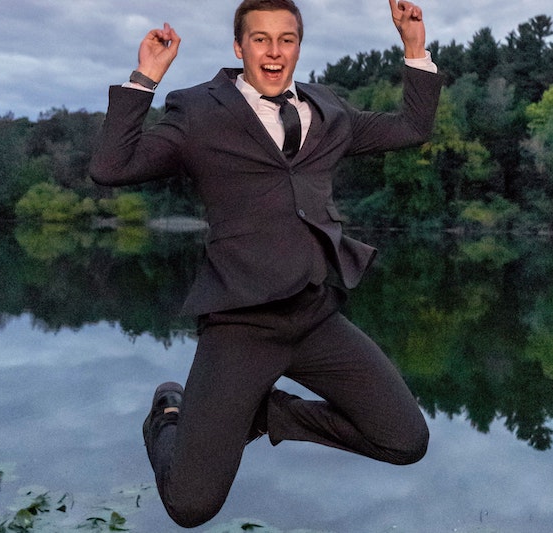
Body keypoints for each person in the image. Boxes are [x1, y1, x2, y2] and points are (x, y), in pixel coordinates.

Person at [89, 0, 443, 527]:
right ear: (239, 47)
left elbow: (413, 126)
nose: (273, 51)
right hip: (241, 324)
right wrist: (146, 78)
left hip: (316, 317)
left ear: (298, 47)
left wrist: (413, 45)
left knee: (404, 440)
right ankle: (169, 414)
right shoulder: (200, 111)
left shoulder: (330, 111)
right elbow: (111, 167)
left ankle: (265, 411)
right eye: (260, 39)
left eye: (286, 39)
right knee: (190, 506)